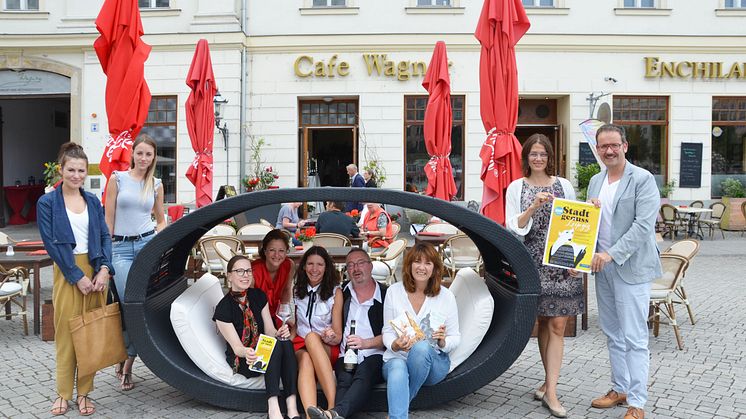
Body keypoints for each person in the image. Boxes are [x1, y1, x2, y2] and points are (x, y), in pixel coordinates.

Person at [586, 124, 662, 419]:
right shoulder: (596, 181)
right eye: (603, 146)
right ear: (598, 150)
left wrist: (611, 253)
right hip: (601, 268)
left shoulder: (642, 180)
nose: (609, 150)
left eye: (614, 145)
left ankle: (638, 403)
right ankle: (619, 389)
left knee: (634, 337)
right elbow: (590, 223)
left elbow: (643, 227)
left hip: (629, 268)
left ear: (625, 146)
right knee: (612, 333)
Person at [505, 133, 581, 418]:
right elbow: (514, 226)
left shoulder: (564, 185)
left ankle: (551, 391)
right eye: (533, 154)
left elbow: (576, 219)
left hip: (562, 263)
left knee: (559, 324)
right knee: (543, 321)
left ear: (551, 157)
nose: (538, 159)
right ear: (526, 158)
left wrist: (579, 258)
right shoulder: (516, 187)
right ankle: (549, 384)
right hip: (531, 261)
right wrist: (533, 206)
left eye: (543, 154)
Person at [37, 142, 115, 416]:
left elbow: (105, 236)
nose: (76, 175)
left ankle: (84, 393)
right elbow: (51, 244)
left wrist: (105, 269)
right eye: (71, 169)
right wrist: (76, 276)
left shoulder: (93, 201)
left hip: (95, 270)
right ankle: (63, 393)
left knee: (90, 335)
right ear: (61, 170)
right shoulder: (47, 202)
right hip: (68, 270)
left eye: (81, 170)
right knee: (67, 334)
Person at [104, 134, 166, 392]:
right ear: (132, 153)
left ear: (153, 157)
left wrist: (160, 240)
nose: (143, 158)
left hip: (145, 246)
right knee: (128, 304)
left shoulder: (156, 184)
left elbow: (160, 219)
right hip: (119, 248)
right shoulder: (117, 179)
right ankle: (124, 354)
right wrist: (105, 259)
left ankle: (128, 363)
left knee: (140, 305)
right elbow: (108, 220)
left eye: (148, 154)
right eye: (139, 153)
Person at [213, 255, 300, 419]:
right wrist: (248, 352)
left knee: (284, 343)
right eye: (239, 271)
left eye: (248, 271)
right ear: (229, 275)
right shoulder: (223, 309)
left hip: (263, 349)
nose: (245, 275)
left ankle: (292, 406)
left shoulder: (258, 296)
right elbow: (237, 348)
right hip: (245, 358)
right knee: (273, 346)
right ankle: (273, 408)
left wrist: (280, 332)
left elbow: (269, 330)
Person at [382, 242, 460, 419]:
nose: (422, 267)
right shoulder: (394, 292)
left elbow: (456, 337)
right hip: (397, 356)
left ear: (435, 268)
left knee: (422, 348)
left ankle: (402, 403)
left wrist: (443, 341)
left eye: (428, 263)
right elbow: (387, 330)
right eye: (417, 262)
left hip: (433, 363)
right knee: (397, 369)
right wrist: (394, 345)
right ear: (409, 265)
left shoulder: (446, 296)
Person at [307, 248, 387, 419]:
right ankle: (333, 415)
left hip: (375, 353)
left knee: (364, 373)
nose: (356, 269)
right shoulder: (342, 292)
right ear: (347, 270)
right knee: (344, 380)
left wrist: (366, 343)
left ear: (370, 266)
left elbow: (393, 333)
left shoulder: (386, 294)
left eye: (360, 263)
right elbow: (324, 318)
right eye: (350, 265)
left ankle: (334, 413)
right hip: (347, 353)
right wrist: (329, 334)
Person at [293, 246, 343, 416]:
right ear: (304, 266)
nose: (314, 269)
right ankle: (311, 415)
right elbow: (292, 326)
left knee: (313, 338)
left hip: (326, 346)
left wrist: (330, 336)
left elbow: (338, 336)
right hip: (300, 344)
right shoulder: (295, 290)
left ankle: (331, 407)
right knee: (306, 358)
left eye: (320, 264)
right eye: (310, 264)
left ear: (327, 267)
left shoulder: (335, 292)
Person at [251, 229, 296, 328]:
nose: (276, 255)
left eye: (281, 251)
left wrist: (284, 318)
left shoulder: (289, 265)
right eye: (272, 250)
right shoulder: (253, 270)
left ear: (286, 252)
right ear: (265, 251)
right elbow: (249, 303)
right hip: (256, 318)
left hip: (276, 315)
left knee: (292, 332)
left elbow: (286, 291)